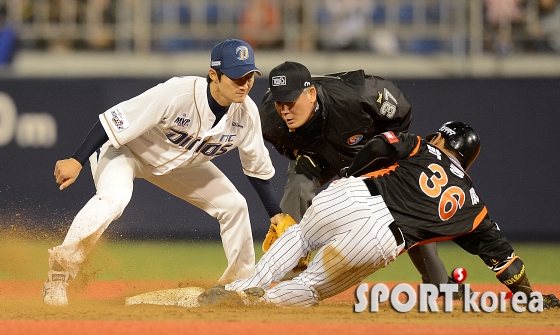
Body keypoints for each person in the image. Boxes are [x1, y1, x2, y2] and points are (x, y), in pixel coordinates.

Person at [198, 121, 560, 309]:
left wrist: (350, 174)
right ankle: (253, 302)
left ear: (442, 141)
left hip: (354, 195)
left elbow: (381, 144)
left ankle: (238, 289)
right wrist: (527, 294)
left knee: (300, 236)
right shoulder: (473, 208)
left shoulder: (421, 144)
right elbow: (506, 263)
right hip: (381, 238)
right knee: (310, 287)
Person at [43, 38, 286, 306]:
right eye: (237, 77)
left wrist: (275, 213)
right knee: (114, 199)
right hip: (124, 151)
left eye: (249, 76)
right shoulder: (178, 93)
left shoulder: (247, 114)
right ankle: (58, 277)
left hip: (175, 165)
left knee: (235, 205)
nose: (245, 83)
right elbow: (112, 119)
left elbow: (257, 168)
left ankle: (240, 285)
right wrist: (78, 160)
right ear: (214, 75)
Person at [259, 61, 456, 292]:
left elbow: (400, 112)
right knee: (298, 187)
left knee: (404, 206)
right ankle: (288, 278)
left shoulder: (358, 95)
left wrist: (387, 149)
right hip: (319, 156)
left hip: (369, 154)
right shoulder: (268, 117)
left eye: (290, 101)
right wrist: (297, 152)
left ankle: (439, 284)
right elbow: (280, 143)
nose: (284, 110)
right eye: (279, 102)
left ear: (311, 93)